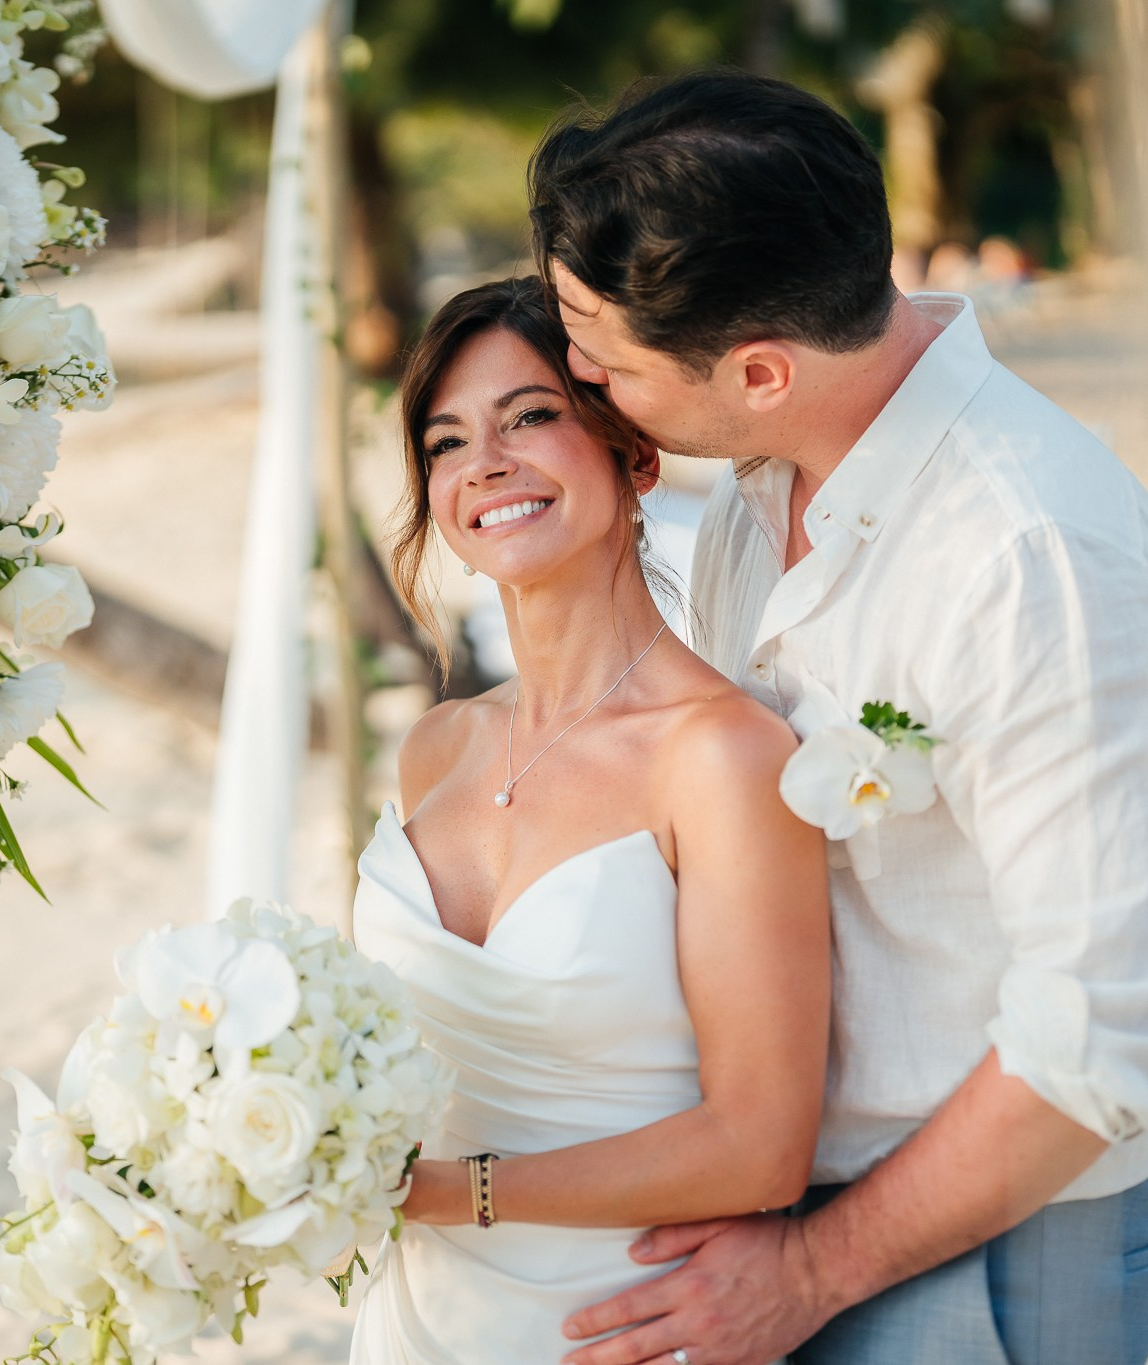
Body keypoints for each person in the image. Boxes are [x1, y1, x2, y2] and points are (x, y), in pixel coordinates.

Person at [529, 70, 1148, 1365]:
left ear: (759, 367)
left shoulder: (1032, 558)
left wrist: (809, 1270)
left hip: (996, 1235)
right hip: (791, 1199)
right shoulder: (762, 477)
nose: (576, 374)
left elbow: (1107, 1035)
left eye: (601, 357)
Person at [345, 277, 832, 1364]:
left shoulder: (719, 756)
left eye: (530, 417)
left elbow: (759, 1147)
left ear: (634, 454)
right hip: (414, 1323)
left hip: (619, 1325)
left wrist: (433, 1194)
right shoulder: (436, 748)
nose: (486, 463)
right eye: (445, 440)